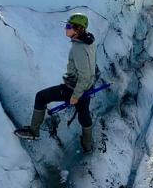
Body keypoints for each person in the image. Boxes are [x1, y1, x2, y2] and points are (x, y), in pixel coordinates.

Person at [14, 13, 97, 154]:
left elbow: (85, 74)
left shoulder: (78, 49)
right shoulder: (88, 42)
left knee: (41, 97)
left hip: (74, 87)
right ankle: (87, 145)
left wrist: (75, 95)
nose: (66, 29)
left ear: (78, 29)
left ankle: (34, 131)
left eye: (69, 26)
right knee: (84, 113)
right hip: (87, 87)